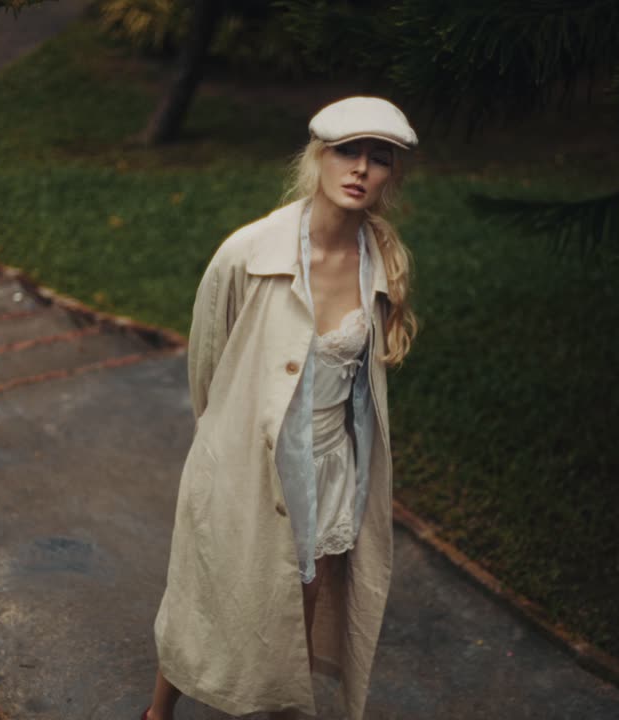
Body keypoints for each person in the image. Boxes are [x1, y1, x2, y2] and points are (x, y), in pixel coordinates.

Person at [143, 96, 420, 720]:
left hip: (327, 466)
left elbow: (361, 390)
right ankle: (158, 711)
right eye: (348, 152)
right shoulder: (247, 253)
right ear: (318, 157)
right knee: (209, 591)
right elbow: (208, 362)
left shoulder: (382, 265)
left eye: (379, 160)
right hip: (245, 455)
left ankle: (274, 704)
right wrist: (224, 443)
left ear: (390, 177)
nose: (360, 170)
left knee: (299, 599)